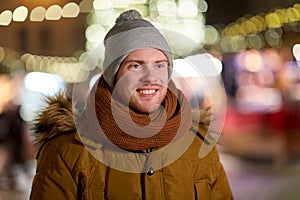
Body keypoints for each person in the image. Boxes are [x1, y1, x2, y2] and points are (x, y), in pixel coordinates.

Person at [30, 9, 233, 199]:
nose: (150, 78)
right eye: (135, 66)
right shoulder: (66, 150)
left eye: (159, 65)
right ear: (113, 75)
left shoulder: (197, 145)